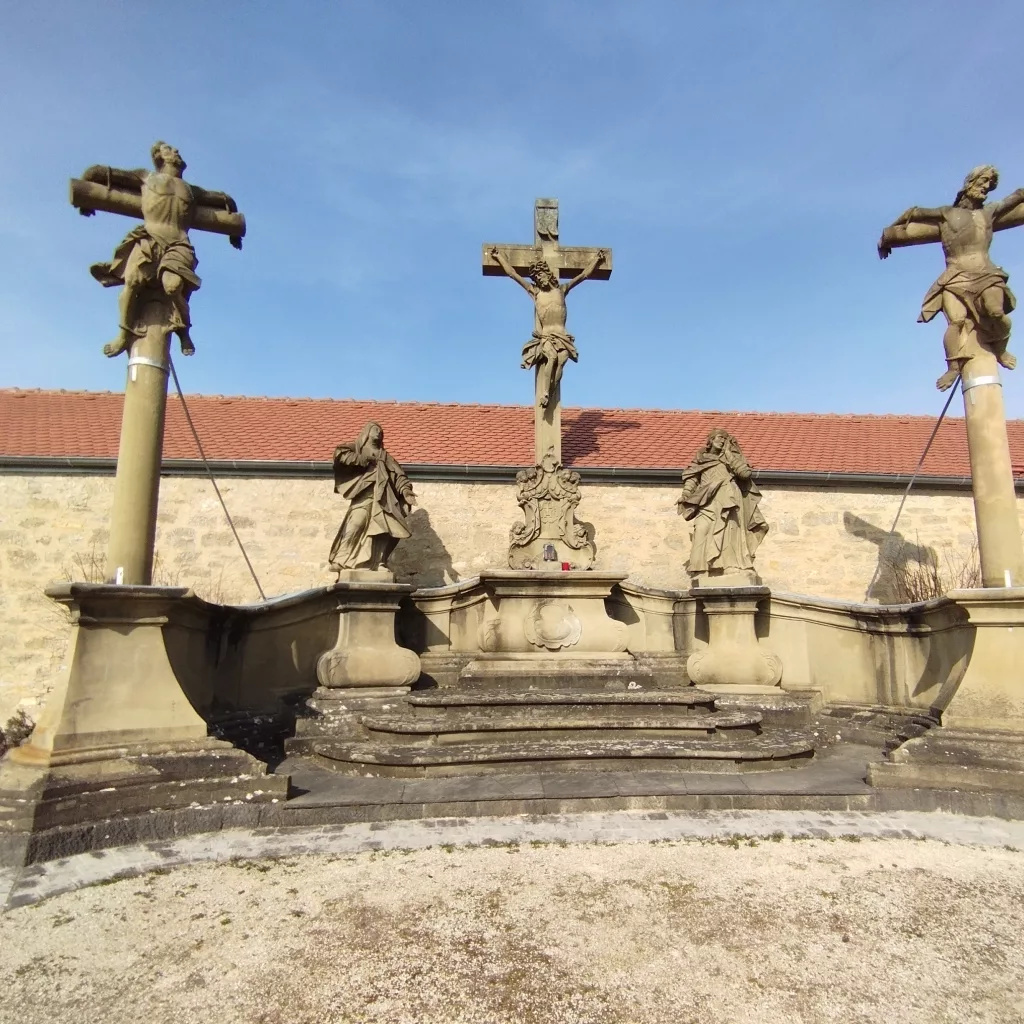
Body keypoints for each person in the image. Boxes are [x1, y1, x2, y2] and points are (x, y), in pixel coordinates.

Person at [82, 142, 242, 358]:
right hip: (150, 238)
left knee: (173, 286)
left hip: (178, 243)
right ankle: (123, 334)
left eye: (175, 150)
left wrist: (233, 232)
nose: (176, 151)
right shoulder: (146, 177)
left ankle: (183, 329)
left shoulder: (192, 191)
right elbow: (99, 172)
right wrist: (86, 196)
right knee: (133, 282)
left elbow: (224, 200)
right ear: (159, 156)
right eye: (169, 149)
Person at [878, 165, 1024, 390]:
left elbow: (1016, 197)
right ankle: (953, 367)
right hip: (954, 276)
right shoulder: (946, 213)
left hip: (986, 273)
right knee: (955, 322)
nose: (986, 187)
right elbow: (913, 212)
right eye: (983, 181)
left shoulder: (989, 212)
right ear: (970, 183)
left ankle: (1001, 347)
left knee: (995, 311)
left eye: (989, 185)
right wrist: (887, 237)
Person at [488, 247, 605, 407]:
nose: (539, 280)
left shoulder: (561, 290)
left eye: (541, 276)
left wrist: (597, 260)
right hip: (547, 336)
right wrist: (499, 257)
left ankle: (550, 390)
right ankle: (544, 392)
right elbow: (513, 275)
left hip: (563, 336)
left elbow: (583, 276)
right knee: (552, 357)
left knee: (562, 361)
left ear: (547, 274)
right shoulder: (535, 293)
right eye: (536, 279)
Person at [676, 429, 768, 579]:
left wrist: (729, 455)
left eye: (725, 439)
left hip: (729, 498)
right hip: (707, 499)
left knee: (730, 532)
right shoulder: (701, 459)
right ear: (711, 440)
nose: (722, 441)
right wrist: (686, 494)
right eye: (719, 437)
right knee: (701, 530)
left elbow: (745, 474)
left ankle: (731, 566)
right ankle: (700, 569)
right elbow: (691, 479)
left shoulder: (731, 458)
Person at [328, 422, 416, 572]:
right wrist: (363, 459)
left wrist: (406, 492)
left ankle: (378, 562)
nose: (379, 432)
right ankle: (341, 560)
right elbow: (340, 455)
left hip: (383, 499)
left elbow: (399, 476)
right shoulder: (355, 448)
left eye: (381, 431)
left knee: (386, 530)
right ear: (367, 432)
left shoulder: (385, 456)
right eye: (376, 429)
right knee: (355, 524)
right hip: (364, 496)